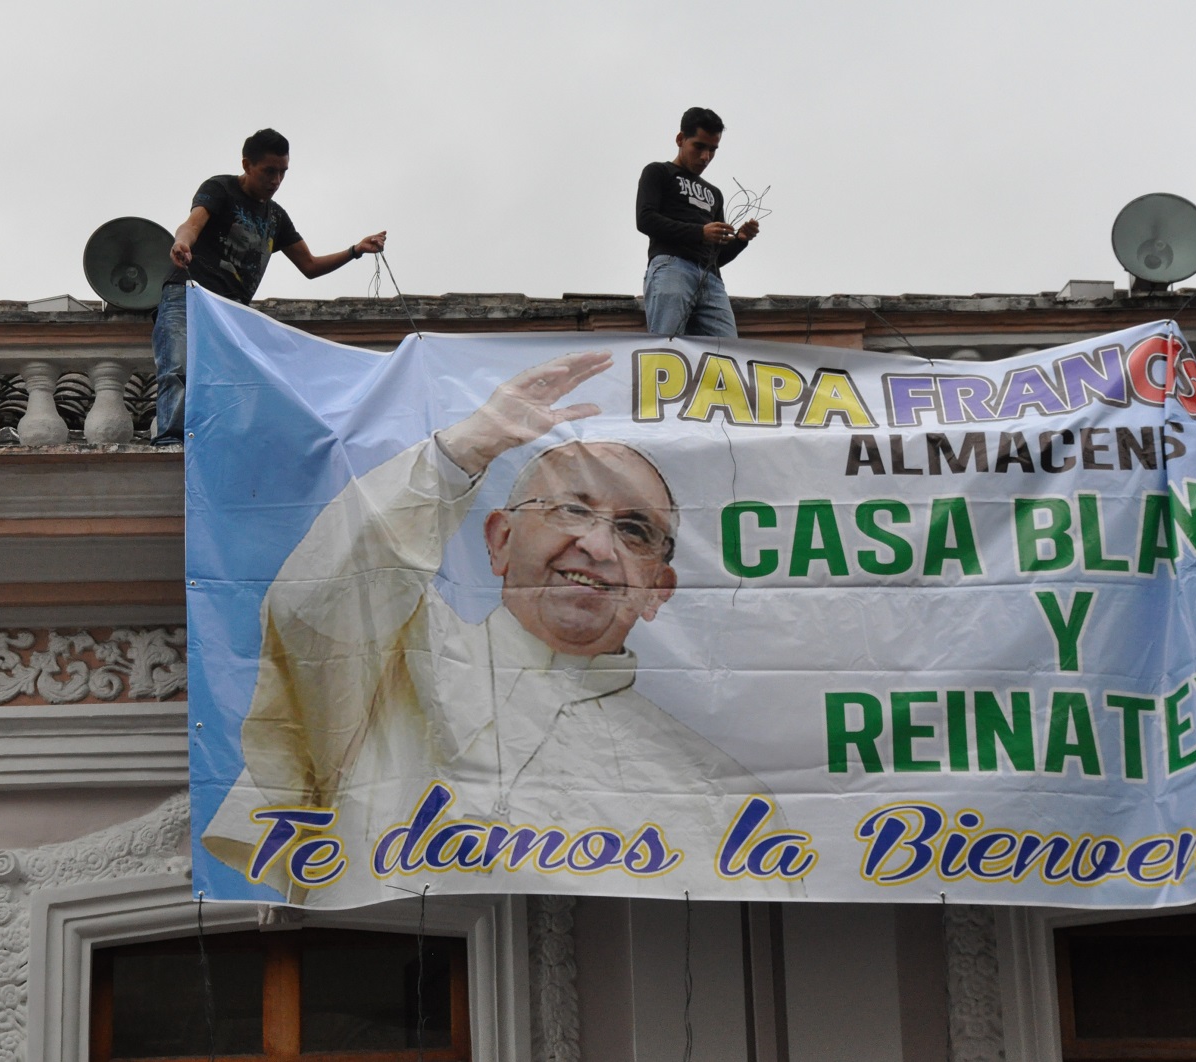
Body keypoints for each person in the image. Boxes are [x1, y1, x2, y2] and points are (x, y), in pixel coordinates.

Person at [202, 351, 778, 902]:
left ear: (658, 590)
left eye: (634, 530)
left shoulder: (715, 791)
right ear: (500, 539)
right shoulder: (399, 653)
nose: (598, 547)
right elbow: (316, 603)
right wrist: (469, 448)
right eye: (571, 509)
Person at [151, 128, 387, 443]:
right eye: (269, 171)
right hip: (189, 294)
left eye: (282, 172)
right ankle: (170, 441)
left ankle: (213, 444)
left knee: (229, 381)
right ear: (247, 165)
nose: (276, 180)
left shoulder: (276, 218)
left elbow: (310, 266)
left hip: (231, 311)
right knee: (178, 366)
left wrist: (355, 251)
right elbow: (192, 224)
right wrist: (182, 242)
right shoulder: (220, 188)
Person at [636, 107, 761, 338]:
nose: (706, 157)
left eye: (713, 150)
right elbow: (645, 220)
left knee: (727, 353)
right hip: (672, 266)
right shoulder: (658, 172)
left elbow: (717, 255)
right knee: (668, 345)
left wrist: (740, 240)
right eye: (699, 146)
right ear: (680, 139)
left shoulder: (714, 193)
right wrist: (700, 233)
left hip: (711, 278)